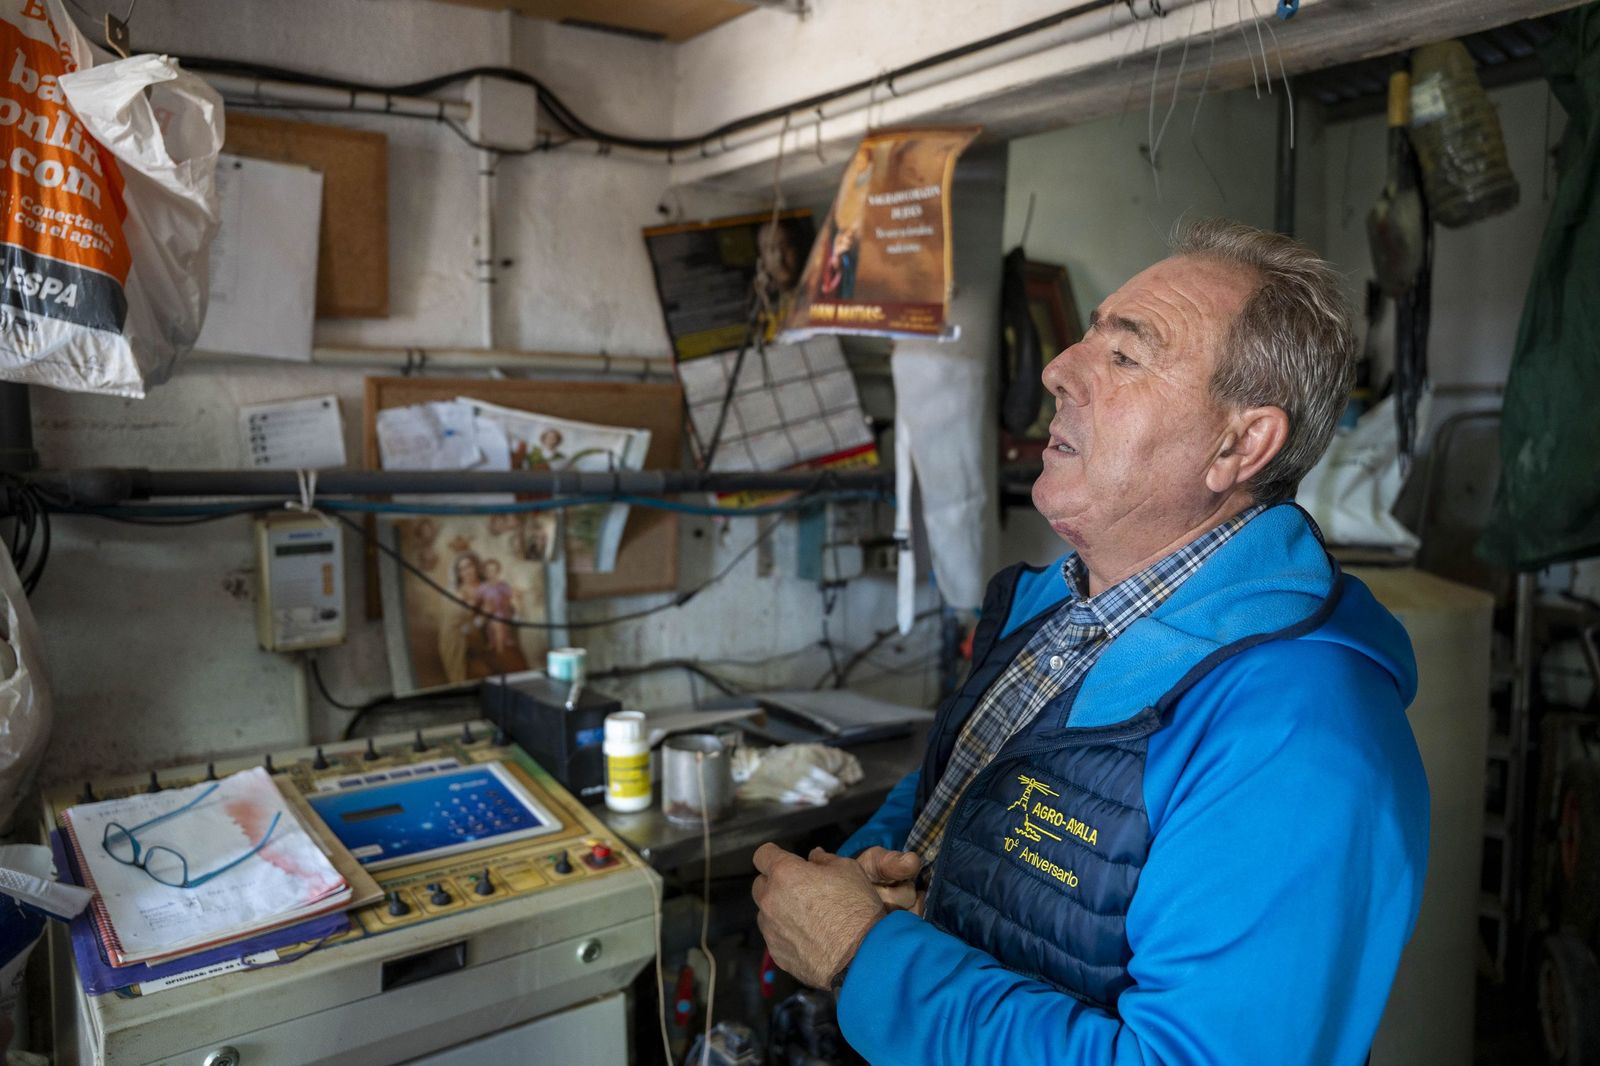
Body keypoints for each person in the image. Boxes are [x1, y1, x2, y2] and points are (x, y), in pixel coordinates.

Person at [750, 218, 1430, 1065]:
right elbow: (947, 796)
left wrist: (863, 957)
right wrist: (866, 878)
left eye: (1125, 355)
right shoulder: (1049, 607)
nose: (1058, 368)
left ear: (1241, 444)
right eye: (1087, 336)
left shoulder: (1305, 740)